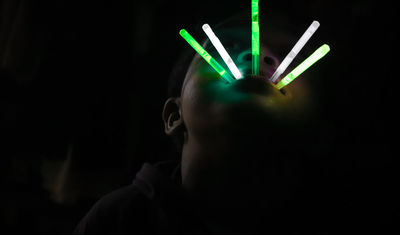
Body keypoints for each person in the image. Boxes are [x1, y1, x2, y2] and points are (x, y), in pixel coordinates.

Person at [73, 12, 329, 235]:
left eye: (291, 56)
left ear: (316, 130)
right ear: (174, 114)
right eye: (226, 46)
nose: (257, 52)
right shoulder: (119, 219)